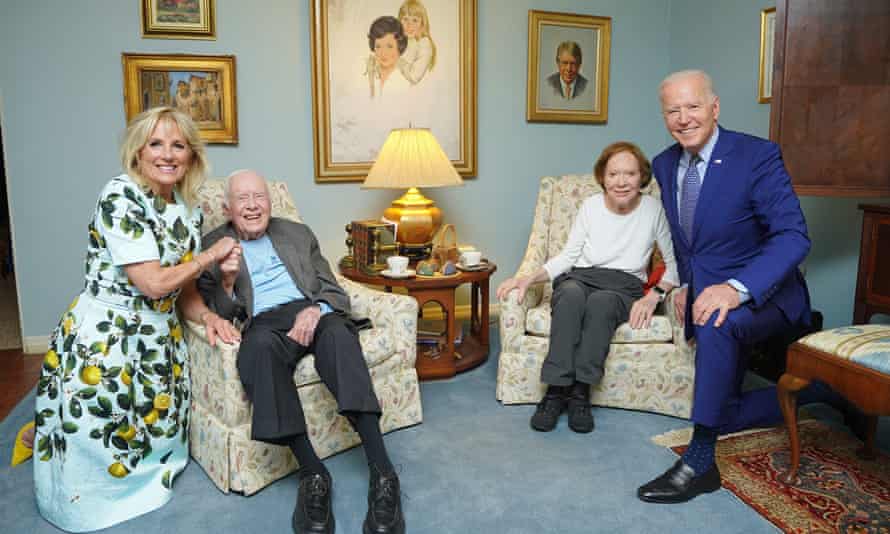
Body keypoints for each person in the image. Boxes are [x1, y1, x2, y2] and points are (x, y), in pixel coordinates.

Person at [636, 70, 851, 504]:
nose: (683, 118)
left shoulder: (757, 156)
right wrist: (677, 285)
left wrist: (735, 289)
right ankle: (820, 392)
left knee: (718, 319)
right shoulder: (662, 163)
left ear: (715, 108)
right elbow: (684, 243)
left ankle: (699, 463)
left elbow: (793, 236)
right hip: (703, 295)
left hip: (765, 295)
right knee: (723, 411)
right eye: (672, 110)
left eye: (693, 106)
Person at [32, 106, 240, 532]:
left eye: (178, 145)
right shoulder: (119, 195)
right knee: (97, 430)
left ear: (191, 156)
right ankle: (81, 503)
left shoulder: (188, 209)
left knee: (150, 430)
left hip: (159, 339)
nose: (167, 154)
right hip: (109, 336)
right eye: (156, 143)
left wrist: (209, 317)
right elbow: (153, 283)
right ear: (138, 152)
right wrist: (209, 256)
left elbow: (182, 293)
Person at [197, 170, 405, 534]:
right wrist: (228, 283)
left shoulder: (296, 232)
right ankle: (313, 473)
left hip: (311, 311)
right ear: (228, 209)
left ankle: (383, 472)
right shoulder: (212, 247)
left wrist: (316, 310)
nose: (251, 205)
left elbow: (332, 288)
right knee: (258, 349)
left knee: (340, 336)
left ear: (269, 201)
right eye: (242, 199)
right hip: (262, 323)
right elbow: (222, 314)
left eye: (258, 197)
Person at [497, 141, 679, 434]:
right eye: (613, 174)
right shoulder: (591, 205)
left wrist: (654, 296)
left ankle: (581, 392)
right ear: (603, 178)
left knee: (602, 304)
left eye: (629, 174)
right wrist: (529, 278)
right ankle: (556, 391)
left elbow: (674, 263)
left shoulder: (653, 209)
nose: (621, 182)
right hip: (581, 276)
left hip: (624, 285)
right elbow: (569, 256)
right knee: (568, 294)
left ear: (641, 177)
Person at [365, 16, 411, 99]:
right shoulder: (369, 75)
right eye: (378, 46)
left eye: (389, 46)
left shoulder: (406, 79)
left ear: (400, 46)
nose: (383, 53)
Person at [397, 0, 436, 84]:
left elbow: (414, 77)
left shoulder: (424, 44)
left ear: (422, 24)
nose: (409, 24)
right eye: (405, 19)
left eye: (415, 20)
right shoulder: (407, 40)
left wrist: (397, 61)